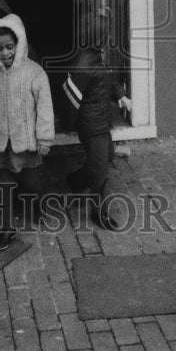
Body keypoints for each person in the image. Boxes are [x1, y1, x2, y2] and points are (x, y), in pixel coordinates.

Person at [0, 14, 55, 251]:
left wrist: (44, 137)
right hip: (3, 142)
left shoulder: (34, 72)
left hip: (28, 141)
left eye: (10, 47)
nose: (5, 53)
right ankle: (6, 227)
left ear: (19, 43)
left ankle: (36, 202)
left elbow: (44, 106)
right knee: (4, 184)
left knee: (31, 182)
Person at [62, 12, 132, 230]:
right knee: (100, 168)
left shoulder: (96, 57)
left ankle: (75, 180)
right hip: (91, 126)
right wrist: (69, 124)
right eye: (105, 35)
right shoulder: (83, 65)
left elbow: (108, 78)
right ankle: (98, 211)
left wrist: (120, 95)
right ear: (97, 38)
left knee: (105, 157)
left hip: (101, 121)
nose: (108, 38)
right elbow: (70, 95)